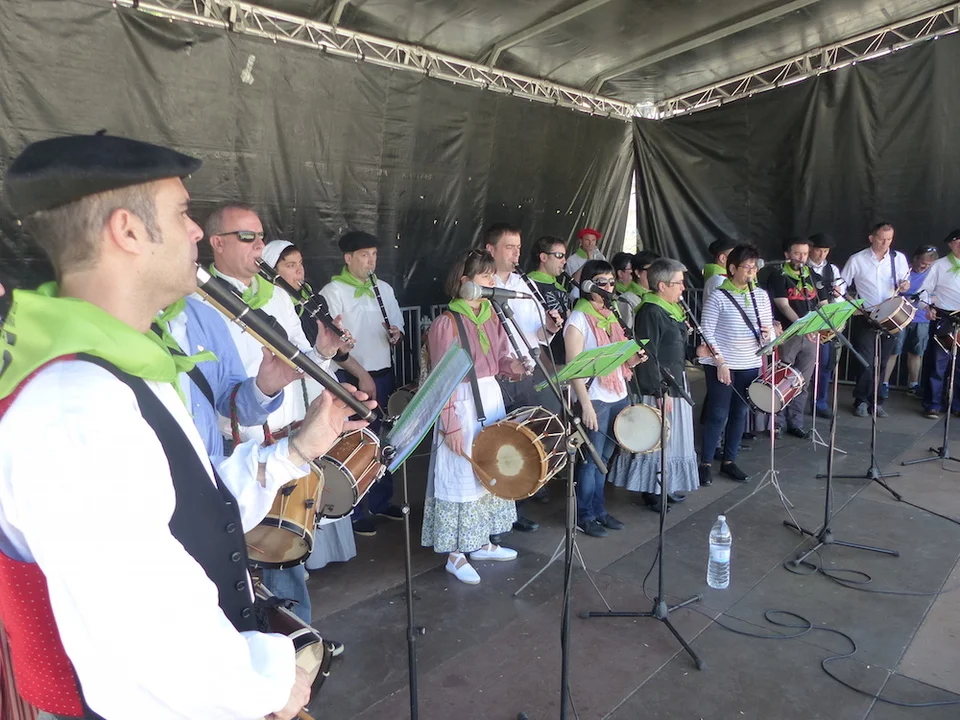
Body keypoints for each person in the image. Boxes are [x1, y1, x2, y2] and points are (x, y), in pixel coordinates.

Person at [0, 133, 371, 720]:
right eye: (181, 213)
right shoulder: (74, 405)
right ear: (127, 231)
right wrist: (267, 682)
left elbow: (192, 515)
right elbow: (145, 631)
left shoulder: (124, 365)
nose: (197, 231)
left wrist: (299, 448)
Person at [205, 204, 355, 624]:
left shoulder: (275, 296)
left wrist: (323, 352)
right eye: (247, 237)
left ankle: (295, 633)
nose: (258, 246)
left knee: (282, 546)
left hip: (283, 435)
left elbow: (299, 361)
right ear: (216, 243)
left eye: (260, 237)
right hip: (233, 441)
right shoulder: (200, 302)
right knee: (235, 551)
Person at [260, 239, 370, 575]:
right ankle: (290, 552)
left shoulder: (311, 300)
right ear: (270, 269)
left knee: (320, 462)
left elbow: (316, 350)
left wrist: (334, 347)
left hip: (315, 383)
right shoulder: (268, 301)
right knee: (292, 464)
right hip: (285, 393)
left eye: (300, 264)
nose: (299, 272)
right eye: (289, 265)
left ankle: (323, 551)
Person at [423, 249, 527, 585]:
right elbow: (442, 379)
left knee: (488, 468)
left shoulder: (493, 315)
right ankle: (455, 554)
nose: (491, 281)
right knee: (461, 471)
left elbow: (499, 359)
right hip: (462, 401)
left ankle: (481, 542)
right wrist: (450, 422)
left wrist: (514, 366)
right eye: (484, 276)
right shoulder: (447, 323)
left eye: (492, 275)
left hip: (490, 397)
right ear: (464, 281)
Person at [320, 231, 406, 536]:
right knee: (355, 441)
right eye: (364, 255)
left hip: (384, 373)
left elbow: (398, 324)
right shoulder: (333, 291)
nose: (371, 261)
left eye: (374, 254)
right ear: (348, 258)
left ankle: (381, 501)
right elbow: (332, 342)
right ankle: (354, 510)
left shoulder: (384, 288)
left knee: (384, 439)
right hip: (352, 377)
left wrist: (396, 334)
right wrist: (358, 372)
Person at [484, 224, 563, 533]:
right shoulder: (481, 283)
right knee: (497, 445)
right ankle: (493, 514)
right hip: (496, 376)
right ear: (490, 249)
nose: (516, 253)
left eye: (518, 247)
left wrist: (551, 327)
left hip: (528, 371)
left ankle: (515, 507)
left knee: (526, 440)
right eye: (509, 247)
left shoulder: (523, 284)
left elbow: (537, 333)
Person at [611, 258, 699, 512]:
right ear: (662, 285)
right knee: (656, 437)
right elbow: (647, 354)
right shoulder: (650, 311)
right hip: (658, 385)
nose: (683, 288)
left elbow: (673, 347)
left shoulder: (670, 309)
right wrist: (659, 390)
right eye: (678, 283)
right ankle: (652, 489)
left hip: (674, 380)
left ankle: (666, 485)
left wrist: (695, 351)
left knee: (672, 438)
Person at [565, 260, 644, 538]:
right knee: (591, 459)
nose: (609, 287)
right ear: (588, 285)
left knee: (606, 457)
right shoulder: (578, 319)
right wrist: (585, 404)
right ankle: (584, 514)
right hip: (595, 397)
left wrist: (634, 359)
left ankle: (599, 509)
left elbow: (621, 358)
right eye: (602, 283)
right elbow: (573, 367)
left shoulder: (612, 314)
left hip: (618, 392)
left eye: (612, 282)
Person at [698, 244, 775, 486]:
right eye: (747, 267)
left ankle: (729, 460)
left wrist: (768, 336)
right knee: (718, 413)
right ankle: (705, 463)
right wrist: (720, 362)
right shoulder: (718, 296)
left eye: (755, 267)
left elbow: (769, 328)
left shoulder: (760, 296)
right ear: (732, 268)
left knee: (740, 412)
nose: (752, 271)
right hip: (722, 364)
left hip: (750, 362)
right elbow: (707, 333)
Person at [841, 222, 911, 417]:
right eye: (881, 239)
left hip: (891, 316)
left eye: (889, 239)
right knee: (867, 361)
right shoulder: (857, 260)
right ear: (871, 238)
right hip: (867, 315)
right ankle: (861, 400)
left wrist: (905, 285)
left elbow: (905, 282)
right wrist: (852, 305)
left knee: (883, 362)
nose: (885, 243)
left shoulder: (898, 259)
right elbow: (841, 285)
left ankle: (876, 401)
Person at [766, 237, 822, 439]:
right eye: (797, 253)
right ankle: (777, 423)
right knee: (782, 379)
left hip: (811, 336)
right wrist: (803, 326)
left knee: (803, 382)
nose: (802, 258)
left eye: (805, 254)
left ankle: (795, 423)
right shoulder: (778, 276)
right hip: (789, 334)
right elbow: (783, 305)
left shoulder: (813, 276)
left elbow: (823, 303)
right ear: (787, 254)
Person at [882, 244, 937, 398]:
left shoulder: (932, 274)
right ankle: (884, 383)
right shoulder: (903, 270)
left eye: (929, 265)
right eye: (923, 263)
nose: (925, 267)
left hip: (921, 317)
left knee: (916, 352)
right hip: (899, 316)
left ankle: (913, 384)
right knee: (893, 350)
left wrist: (926, 300)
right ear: (915, 258)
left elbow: (937, 295)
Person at [919, 231, 960, 419]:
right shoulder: (939, 265)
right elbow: (923, 291)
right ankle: (932, 404)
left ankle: (957, 404)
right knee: (938, 362)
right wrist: (928, 307)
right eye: (957, 243)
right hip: (944, 316)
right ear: (950, 245)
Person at [807, 233, 845, 418]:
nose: (822, 255)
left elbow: (839, 297)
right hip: (807, 321)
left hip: (826, 323)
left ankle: (819, 402)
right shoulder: (803, 269)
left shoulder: (832, 269)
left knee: (825, 364)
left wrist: (838, 296)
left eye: (826, 251)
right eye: (819, 250)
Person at [526, 235, 572, 369]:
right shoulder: (528, 284)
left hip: (564, 357)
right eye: (559, 255)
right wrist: (546, 363)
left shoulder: (559, 287)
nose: (564, 261)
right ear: (543, 257)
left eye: (564, 256)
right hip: (543, 362)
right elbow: (528, 326)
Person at [612, 251, 641, 328]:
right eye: (632, 273)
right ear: (620, 273)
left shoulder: (639, 293)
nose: (637, 275)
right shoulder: (615, 296)